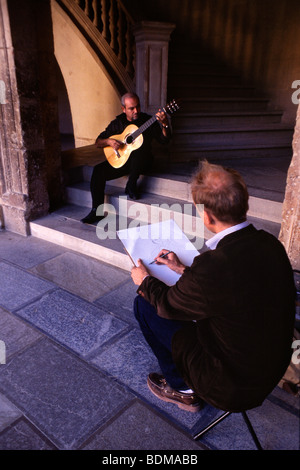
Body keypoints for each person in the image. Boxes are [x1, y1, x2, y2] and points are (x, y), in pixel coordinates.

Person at [131, 160, 296, 413]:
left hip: (230, 387)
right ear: (245, 203)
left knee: (145, 303)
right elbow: (236, 287)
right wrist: (183, 270)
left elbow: (167, 305)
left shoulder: (213, 265)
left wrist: (145, 279)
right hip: (269, 370)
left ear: (206, 216)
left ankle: (182, 389)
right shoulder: (270, 244)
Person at [81, 92, 171, 224]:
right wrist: (109, 142)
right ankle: (97, 211)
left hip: (143, 161)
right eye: (131, 108)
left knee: (138, 148)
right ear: (123, 109)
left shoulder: (148, 120)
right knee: (98, 171)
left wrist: (165, 124)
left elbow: (164, 140)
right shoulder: (117, 123)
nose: (136, 111)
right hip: (124, 161)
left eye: (138, 106)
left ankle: (131, 184)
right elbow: (98, 142)